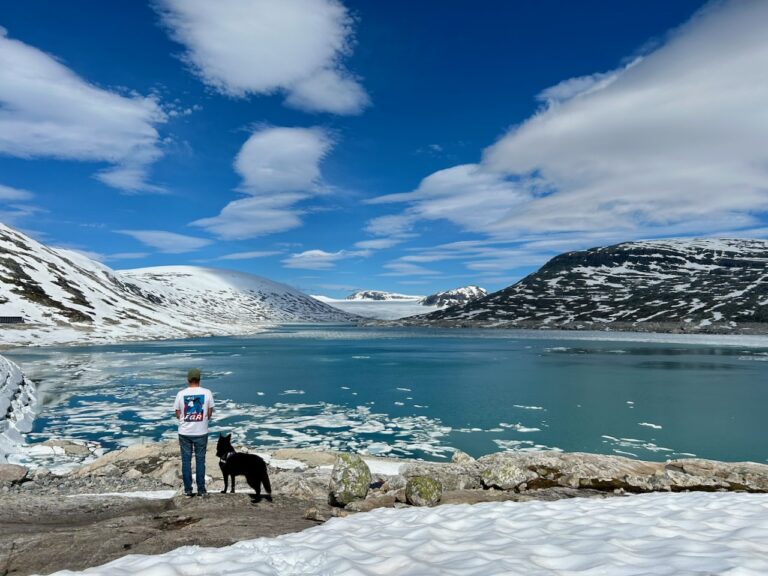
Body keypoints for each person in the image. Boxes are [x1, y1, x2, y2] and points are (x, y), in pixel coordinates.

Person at [173, 368, 214, 497]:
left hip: (185, 432)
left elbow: (177, 412)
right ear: (199, 379)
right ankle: (201, 490)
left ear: (188, 379)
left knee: (186, 461)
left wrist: (185, 419)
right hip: (201, 432)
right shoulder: (207, 393)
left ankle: (188, 490)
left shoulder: (181, 394)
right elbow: (209, 412)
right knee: (200, 461)